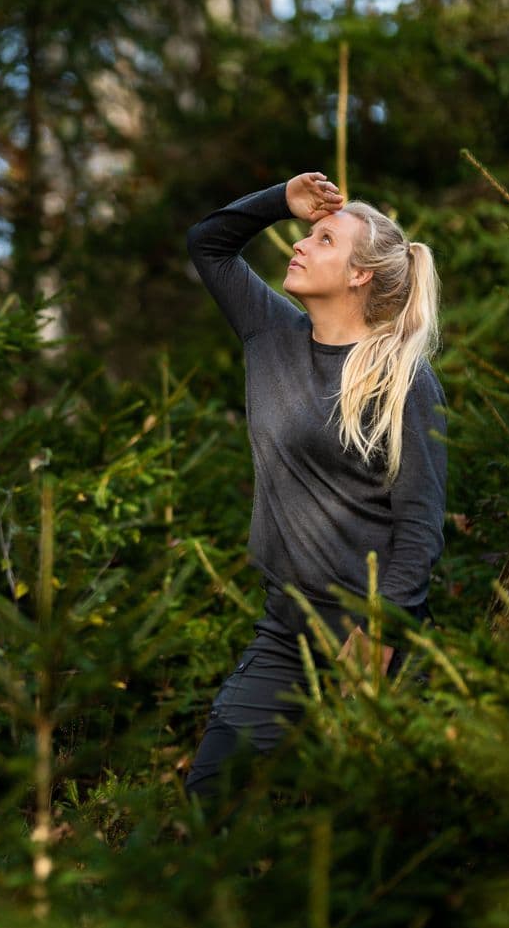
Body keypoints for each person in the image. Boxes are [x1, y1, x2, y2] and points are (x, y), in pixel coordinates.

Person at [181, 171, 448, 799]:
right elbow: (207, 243)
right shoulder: (269, 335)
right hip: (286, 628)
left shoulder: (404, 379)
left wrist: (381, 635)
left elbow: (419, 525)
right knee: (209, 796)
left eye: (323, 240)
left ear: (359, 275)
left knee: (373, 826)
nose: (299, 245)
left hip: (374, 637)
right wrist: (282, 201)